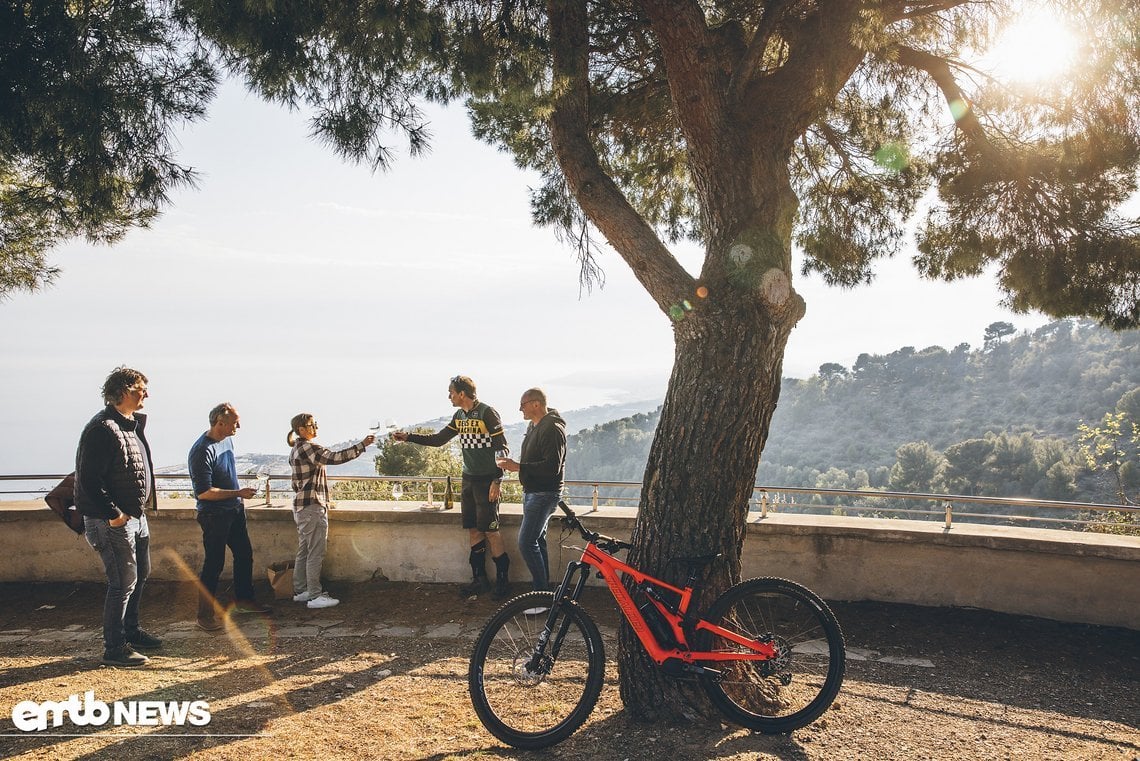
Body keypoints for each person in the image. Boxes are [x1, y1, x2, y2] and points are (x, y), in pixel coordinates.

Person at [392, 375, 512, 599]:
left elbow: (502, 448)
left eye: (451, 393)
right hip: (468, 479)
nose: (449, 397)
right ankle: (480, 580)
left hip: (487, 479)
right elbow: (439, 440)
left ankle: (503, 583)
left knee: (492, 531)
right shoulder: (459, 416)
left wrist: (498, 480)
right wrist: (407, 437)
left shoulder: (487, 412)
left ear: (462, 393)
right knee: (474, 529)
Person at [74, 367, 160, 667]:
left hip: (136, 517)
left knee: (140, 576)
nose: (146, 394)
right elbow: (88, 479)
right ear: (122, 392)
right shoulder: (103, 428)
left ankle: (131, 632)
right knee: (122, 582)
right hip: (111, 520)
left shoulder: (128, 425)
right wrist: (114, 514)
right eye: (140, 389)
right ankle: (114, 648)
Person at [188, 403, 273, 631]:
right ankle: (204, 616)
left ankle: (245, 603)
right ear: (220, 423)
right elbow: (204, 492)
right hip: (214, 516)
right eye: (235, 423)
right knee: (213, 564)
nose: (239, 426)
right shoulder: (201, 451)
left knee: (244, 555)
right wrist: (238, 492)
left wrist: (237, 497)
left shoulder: (227, 440)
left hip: (234, 510)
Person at [288, 414, 374, 609]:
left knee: (304, 550)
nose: (315, 427)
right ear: (301, 430)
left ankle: (301, 591)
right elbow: (336, 458)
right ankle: (315, 597)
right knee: (315, 553)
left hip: (301, 507)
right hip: (312, 507)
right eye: (311, 425)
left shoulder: (295, 449)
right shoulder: (310, 448)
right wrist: (362, 445)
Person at [497, 388, 566, 593]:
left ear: (536, 404)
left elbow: (552, 467)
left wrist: (517, 467)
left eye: (523, 404)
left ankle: (540, 593)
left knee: (526, 542)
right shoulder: (535, 425)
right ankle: (543, 593)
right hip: (532, 491)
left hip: (544, 493)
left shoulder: (552, 429)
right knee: (537, 540)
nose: (520, 409)